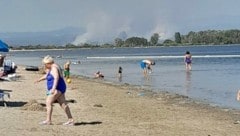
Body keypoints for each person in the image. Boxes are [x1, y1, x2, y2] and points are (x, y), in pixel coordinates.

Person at [35, 55, 74, 125]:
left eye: (45, 64)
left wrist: (53, 88)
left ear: (48, 63)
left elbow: (56, 78)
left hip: (57, 88)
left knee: (48, 102)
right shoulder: (53, 67)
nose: (44, 65)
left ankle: (48, 120)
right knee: (63, 104)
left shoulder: (54, 68)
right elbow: (48, 76)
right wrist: (39, 79)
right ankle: (70, 120)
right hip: (60, 88)